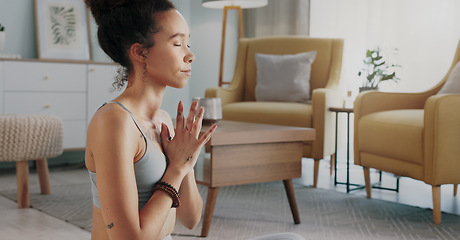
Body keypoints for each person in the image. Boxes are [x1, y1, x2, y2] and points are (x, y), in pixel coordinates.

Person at [84, 0, 305, 239]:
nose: (190, 55)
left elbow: (190, 218)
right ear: (139, 52)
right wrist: (177, 169)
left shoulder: (163, 119)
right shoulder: (114, 122)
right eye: (177, 43)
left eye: (187, 43)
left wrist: (186, 162)